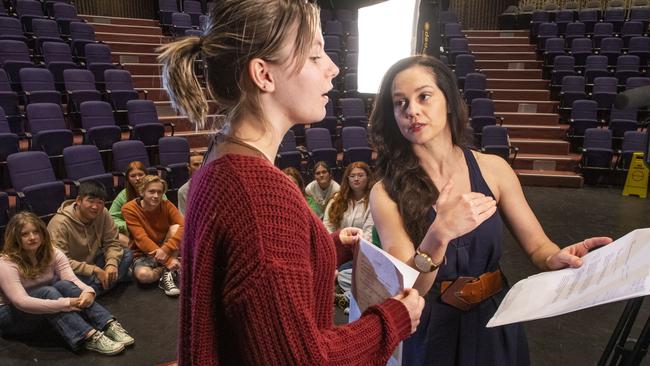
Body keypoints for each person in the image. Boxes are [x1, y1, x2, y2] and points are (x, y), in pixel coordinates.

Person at [157, 0, 424, 364]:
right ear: (264, 75)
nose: (333, 67)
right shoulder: (261, 197)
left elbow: (257, 274)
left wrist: (326, 248)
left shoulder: (223, 155)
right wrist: (393, 319)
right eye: (315, 56)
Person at [368, 55, 613, 366]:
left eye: (424, 96)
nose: (412, 110)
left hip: (496, 322)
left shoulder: (494, 169)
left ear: (449, 101)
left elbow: (538, 246)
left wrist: (556, 257)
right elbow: (409, 290)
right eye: (400, 103)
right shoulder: (385, 192)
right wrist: (439, 233)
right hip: (431, 333)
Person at [0, 212, 134, 355]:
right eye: (24, 234)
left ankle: (108, 325)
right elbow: (22, 302)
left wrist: (89, 292)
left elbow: (72, 279)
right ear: (15, 238)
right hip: (10, 316)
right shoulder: (6, 263)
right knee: (48, 291)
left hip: (45, 306)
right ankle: (89, 337)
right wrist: (66, 303)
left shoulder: (52, 252)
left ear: (42, 233)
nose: (32, 237)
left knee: (63, 285)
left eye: (35, 232)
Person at [48, 181, 133, 296]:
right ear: (78, 200)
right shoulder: (60, 224)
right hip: (72, 271)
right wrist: (93, 270)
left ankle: (91, 292)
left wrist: (112, 263)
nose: (95, 207)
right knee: (63, 284)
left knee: (127, 254)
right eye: (91, 201)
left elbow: (112, 242)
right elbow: (59, 262)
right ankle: (105, 285)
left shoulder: (103, 213)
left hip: (95, 261)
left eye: (100, 202)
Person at [122, 175, 183, 297]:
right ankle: (169, 270)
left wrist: (165, 250)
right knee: (144, 276)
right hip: (144, 252)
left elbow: (184, 226)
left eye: (159, 192)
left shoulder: (167, 205)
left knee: (176, 228)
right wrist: (168, 260)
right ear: (142, 192)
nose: (156, 196)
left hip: (166, 248)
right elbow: (141, 238)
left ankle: (168, 273)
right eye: (151, 191)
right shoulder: (129, 208)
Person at [323, 161, 374, 240]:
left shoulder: (374, 201)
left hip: (362, 247)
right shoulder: (336, 199)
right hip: (338, 245)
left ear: (368, 178)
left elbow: (369, 233)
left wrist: (353, 244)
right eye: (352, 176)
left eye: (360, 175)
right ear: (348, 179)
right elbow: (327, 226)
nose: (356, 179)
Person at [177, 151, 204, 215]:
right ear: (189, 168)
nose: (200, 167)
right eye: (196, 165)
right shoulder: (183, 191)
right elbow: (183, 218)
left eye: (202, 164)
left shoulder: (215, 185)